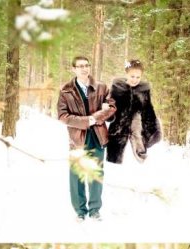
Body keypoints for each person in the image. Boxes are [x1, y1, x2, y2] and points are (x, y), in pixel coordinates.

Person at [58, 56, 116, 222]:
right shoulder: (65, 91)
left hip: (98, 137)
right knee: (76, 175)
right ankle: (80, 211)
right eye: (80, 66)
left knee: (96, 173)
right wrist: (86, 121)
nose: (84, 69)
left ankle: (95, 210)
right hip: (77, 139)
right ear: (74, 69)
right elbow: (62, 116)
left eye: (86, 65)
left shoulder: (101, 87)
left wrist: (97, 116)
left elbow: (112, 108)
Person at [106, 59, 161, 164]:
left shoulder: (144, 89)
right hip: (118, 129)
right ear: (126, 74)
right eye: (132, 76)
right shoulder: (117, 87)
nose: (135, 80)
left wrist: (152, 129)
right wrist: (109, 113)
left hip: (137, 130)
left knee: (136, 160)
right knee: (114, 162)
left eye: (138, 77)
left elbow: (148, 109)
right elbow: (110, 104)